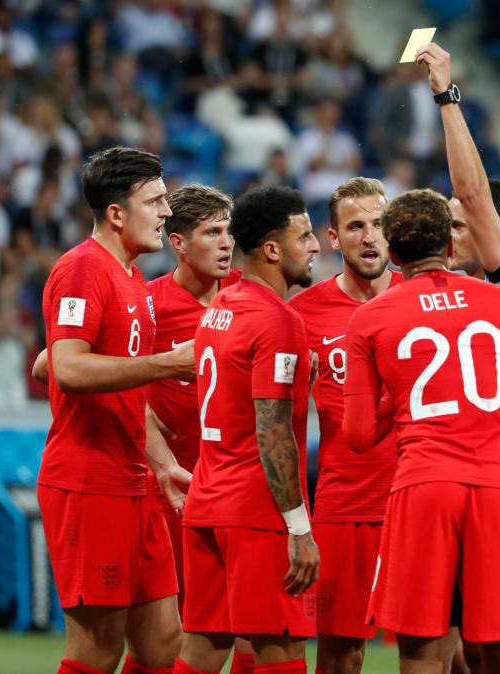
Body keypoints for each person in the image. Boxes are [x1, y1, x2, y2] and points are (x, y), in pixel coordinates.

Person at [342, 188, 500, 674]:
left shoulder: (371, 318)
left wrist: (408, 404)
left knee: (424, 647)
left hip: (424, 486)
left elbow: (357, 437)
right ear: (447, 245)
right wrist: (483, 406)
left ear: (394, 253)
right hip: (499, 487)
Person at [37, 146, 196, 674]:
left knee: (160, 647)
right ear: (116, 212)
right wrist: (167, 364)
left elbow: (51, 361)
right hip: (88, 482)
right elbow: (68, 369)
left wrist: (162, 462)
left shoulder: (130, 279)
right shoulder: (83, 269)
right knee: (97, 651)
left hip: (135, 482)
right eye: (155, 201)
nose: (167, 212)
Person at [416, 41, 500, 669]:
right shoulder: (430, 290)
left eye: (461, 223)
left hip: (492, 480)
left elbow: (472, 194)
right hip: (436, 477)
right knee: (440, 643)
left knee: (488, 645)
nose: (449, 230)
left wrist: (446, 97)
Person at [173, 185, 320, 674]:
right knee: (281, 650)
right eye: (305, 235)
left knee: (203, 650)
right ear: (273, 249)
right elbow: (272, 428)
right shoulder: (278, 320)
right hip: (254, 509)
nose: (316, 245)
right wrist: (298, 526)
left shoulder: (221, 306)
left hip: (207, 500)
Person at [288, 176, 402, 674]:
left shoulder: (422, 296)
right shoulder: (302, 315)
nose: (370, 237)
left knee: (453, 651)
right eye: (356, 226)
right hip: (347, 505)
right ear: (333, 238)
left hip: (420, 499)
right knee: (341, 655)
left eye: (379, 224)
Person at [142, 184, 256, 674]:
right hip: (172, 492)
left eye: (229, 231)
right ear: (179, 243)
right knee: (170, 643)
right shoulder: (147, 305)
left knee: (255, 633)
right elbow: (68, 368)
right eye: (212, 232)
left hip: (237, 487)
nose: (226, 243)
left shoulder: (251, 302)